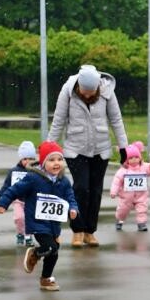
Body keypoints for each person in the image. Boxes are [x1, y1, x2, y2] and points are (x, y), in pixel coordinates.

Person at [47, 63, 128, 248]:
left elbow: (116, 119)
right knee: (81, 188)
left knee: (96, 190)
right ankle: (77, 231)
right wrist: (50, 147)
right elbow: (59, 119)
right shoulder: (68, 91)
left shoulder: (107, 91)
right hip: (75, 149)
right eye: (84, 91)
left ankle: (90, 231)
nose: (88, 94)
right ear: (79, 86)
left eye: (92, 91)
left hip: (101, 149)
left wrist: (124, 147)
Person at [0, 140, 78, 292]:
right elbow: (15, 189)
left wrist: (73, 209)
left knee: (54, 251)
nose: (57, 163)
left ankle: (46, 279)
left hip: (54, 223)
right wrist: (3, 202)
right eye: (52, 160)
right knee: (50, 247)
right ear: (43, 162)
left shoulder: (63, 181)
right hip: (37, 222)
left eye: (60, 159)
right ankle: (34, 253)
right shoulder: (33, 178)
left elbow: (70, 196)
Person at [0, 140, 38, 246]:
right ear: (21, 158)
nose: (28, 161)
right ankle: (20, 234)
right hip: (18, 200)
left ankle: (28, 236)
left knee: (29, 218)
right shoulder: (14, 171)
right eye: (25, 159)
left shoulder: (36, 171)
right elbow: (7, 185)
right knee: (19, 218)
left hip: (31, 201)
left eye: (31, 159)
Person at [110, 141, 150, 231]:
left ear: (140, 158)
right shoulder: (123, 171)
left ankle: (142, 223)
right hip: (126, 197)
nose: (134, 159)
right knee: (122, 211)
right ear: (126, 160)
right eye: (131, 158)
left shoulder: (143, 167)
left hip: (141, 195)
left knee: (142, 210)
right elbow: (116, 181)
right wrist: (113, 192)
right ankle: (119, 220)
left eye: (136, 157)